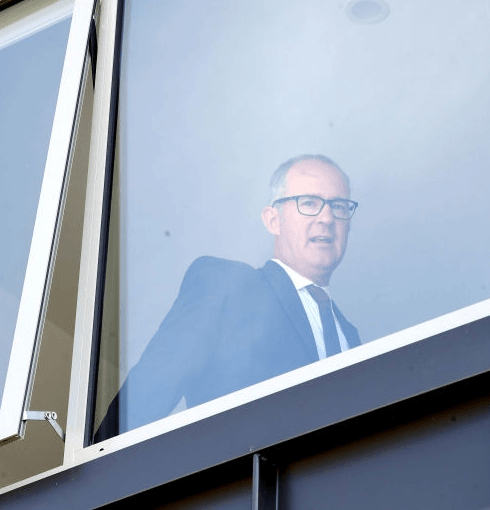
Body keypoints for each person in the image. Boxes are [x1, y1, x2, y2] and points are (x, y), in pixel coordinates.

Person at [94, 155, 360, 440]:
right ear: (273, 220)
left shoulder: (350, 337)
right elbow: (143, 401)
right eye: (308, 203)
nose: (327, 218)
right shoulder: (226, 286)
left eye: (338, 206)